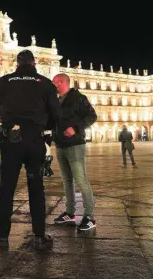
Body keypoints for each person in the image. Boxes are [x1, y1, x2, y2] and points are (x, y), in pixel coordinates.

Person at [0, 50, 61, 250]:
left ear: (17, 63)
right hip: (34, 140)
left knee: (6, 189)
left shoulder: (4, 81)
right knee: (36, 187)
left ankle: (3, 236)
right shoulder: (45, 82)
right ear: (34, 63)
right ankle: (39, 235)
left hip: (11, 140)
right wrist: (43, 127)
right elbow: (55, 112)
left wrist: (10, 121)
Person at [52, 73, 97, 231]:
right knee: (67, 181)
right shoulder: (57, 101)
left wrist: (76, 128)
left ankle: (90, 216)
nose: (53, 85)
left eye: (55, 82)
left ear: (62, 82)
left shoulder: (78, 98)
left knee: (81, 180)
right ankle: (70, 212)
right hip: (60, 144)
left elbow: (92, 116)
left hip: (75, 144)